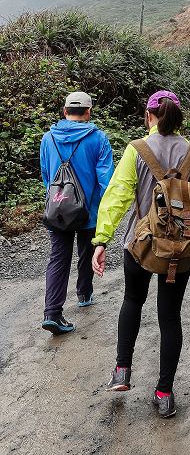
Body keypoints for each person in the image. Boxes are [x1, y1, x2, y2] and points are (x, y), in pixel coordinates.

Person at [91, 91, 190, 418]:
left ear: (149, 116)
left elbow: (117, 196)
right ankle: (164, 393)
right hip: (178, 249)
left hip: (140, 244)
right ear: (179, 117)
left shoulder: (136, 150)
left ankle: (122, 371)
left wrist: (102, 240)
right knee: (170, 316)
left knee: (131, 300)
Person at [40, 91, 114, 335]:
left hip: (57, 209)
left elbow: (46, 175)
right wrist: (102, 208)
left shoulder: (48, 138)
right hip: (87, 210)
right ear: (88, 112)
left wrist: (58, 201)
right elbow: (106, 179)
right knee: (87, 250)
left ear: (64, 111)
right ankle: (84, 292)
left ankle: (52, 312)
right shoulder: (98, 139)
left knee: (58, 257)